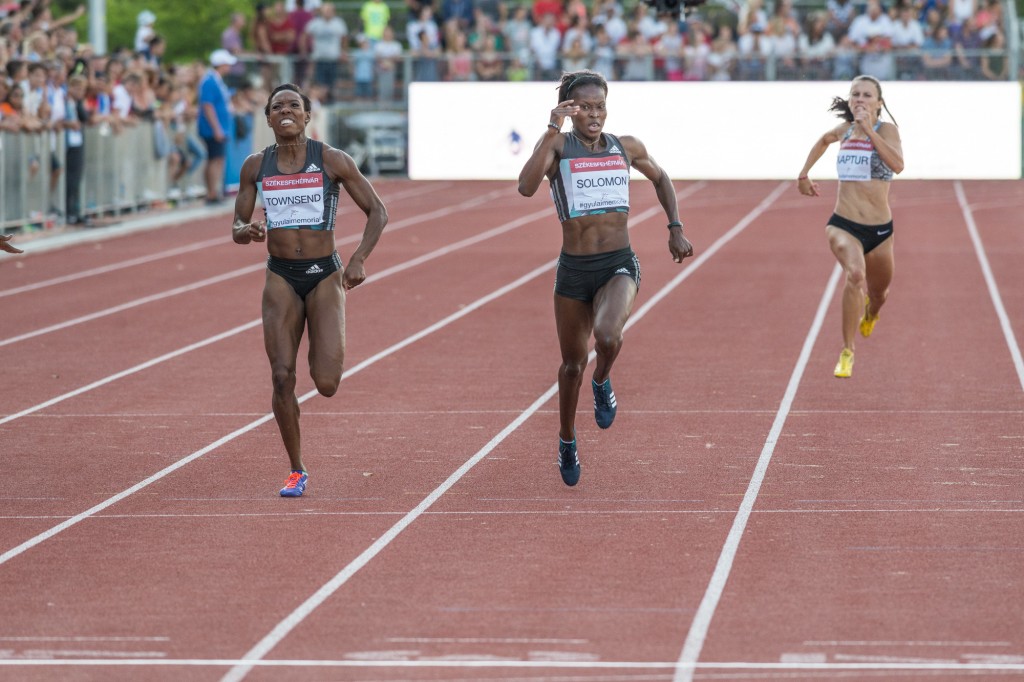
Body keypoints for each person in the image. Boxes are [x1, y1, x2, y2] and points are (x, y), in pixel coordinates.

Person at [517, 70, 693, 487]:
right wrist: (551, 127)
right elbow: (525, 187)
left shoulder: (625, 147)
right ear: (570, 109)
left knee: (608, 336)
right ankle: (567, 439)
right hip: (574, 271)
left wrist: (675, 226)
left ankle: (602, 380)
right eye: (585, 107)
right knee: (571, 365)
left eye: (600, 106)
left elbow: (661, 177)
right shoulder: (558, 146)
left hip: (618, 263)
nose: (594, 114)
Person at [232, 83, 388, 497]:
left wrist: (358, 259)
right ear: (268, 118)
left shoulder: (332, 159)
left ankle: (324, 348)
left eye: (293, 106)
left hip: (324, 276)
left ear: (306, 115)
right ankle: (296, 469)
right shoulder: (255, 166)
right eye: (277, 106)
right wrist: (247, 230)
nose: (285, 111)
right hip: (280, 276)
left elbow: (378, 211)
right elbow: (237, 225)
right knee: (281, 376)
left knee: (327, 382)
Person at [796, 75, 904, 378]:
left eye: (867, 95)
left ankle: (871, 313)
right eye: (855, 94)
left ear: (879, 103)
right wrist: (804, 174)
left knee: (879, 293)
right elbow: (823, 140)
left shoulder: (887, 130)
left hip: (880, 231)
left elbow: (898, 165)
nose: (860, 99)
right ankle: (847, 351)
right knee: (855, 274)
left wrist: (868, 130)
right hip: (843, 224)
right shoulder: (844, 130)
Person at [198, 49, 237, 204]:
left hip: (220, 127)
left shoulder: (216, 80)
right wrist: (216, 128)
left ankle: (214, 191)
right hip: (213, 128)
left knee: (218, 158)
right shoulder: (209, 81)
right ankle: (211, 192)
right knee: (214, 158)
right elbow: (207, 105)